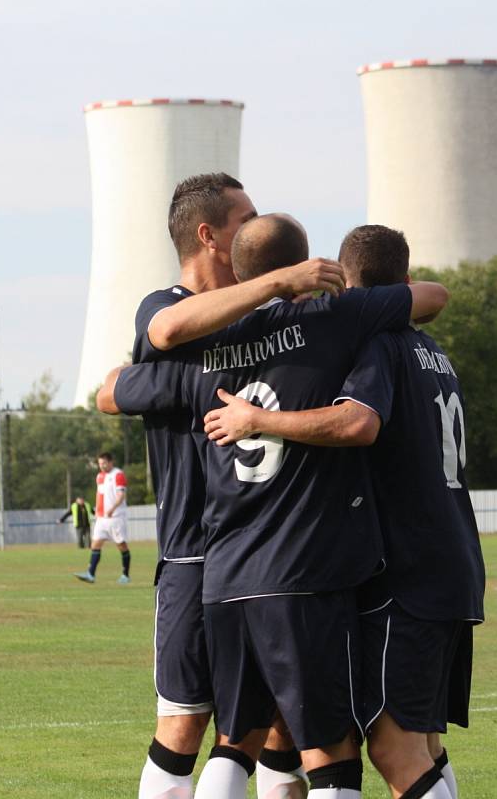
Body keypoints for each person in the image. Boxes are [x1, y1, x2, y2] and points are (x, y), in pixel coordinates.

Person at [99, 212, 449, 799]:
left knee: (238, 739)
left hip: (226, 576)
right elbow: (429, 298)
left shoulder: (203, 349)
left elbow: (114, 387)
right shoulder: (334, 319)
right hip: (303, 570)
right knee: (332, 752)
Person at [204, 224, 485, 799]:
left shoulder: (378, 345)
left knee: (391, 748)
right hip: (454, 565)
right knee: (425, 743)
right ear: (402, 283)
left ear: (350, 286)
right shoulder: (435, 352)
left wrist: (258, 421)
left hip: (405, 576)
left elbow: (357, 423)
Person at [120, 172, 349, 799]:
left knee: (272, 725)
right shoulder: (163, 309)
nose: (254, 226)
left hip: (266, 556)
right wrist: (279, 280)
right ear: (207, 235)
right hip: (195, 553)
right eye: (242, 217)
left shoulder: (259, 321)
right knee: (187, 722)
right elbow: (133, 367)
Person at [74, 452, 131, 585]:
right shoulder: (99, 476)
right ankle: (91, 574)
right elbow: (100, 495)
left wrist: (112, 509)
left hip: (116, 517)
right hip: (102, 518)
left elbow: (121, 495)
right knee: (95, 544)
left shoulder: (118, 475)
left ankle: (125, 575)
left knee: (121, 545)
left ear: (111, 462)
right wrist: (98, 511)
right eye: (100, 464)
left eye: (104, 463)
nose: (102, 466)